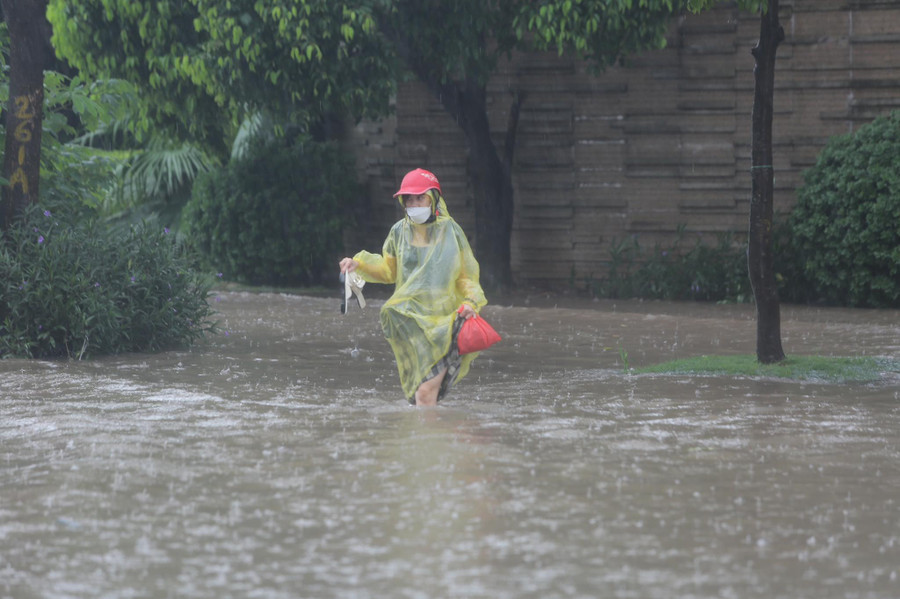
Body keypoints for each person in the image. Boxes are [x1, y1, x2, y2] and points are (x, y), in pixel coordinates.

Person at [339, 168, 488, 407]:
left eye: (421, 198)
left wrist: (471, 303)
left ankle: (427, 440)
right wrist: (358, 263)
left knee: (424, 396)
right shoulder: (399, 232)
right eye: (409, 198)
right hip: (415, 327)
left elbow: (465, 276)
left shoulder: (451, 231)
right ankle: (435, 440)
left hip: (449, 324)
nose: (414, 203)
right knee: (422, 399)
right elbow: (389, 271)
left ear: (433, 198)